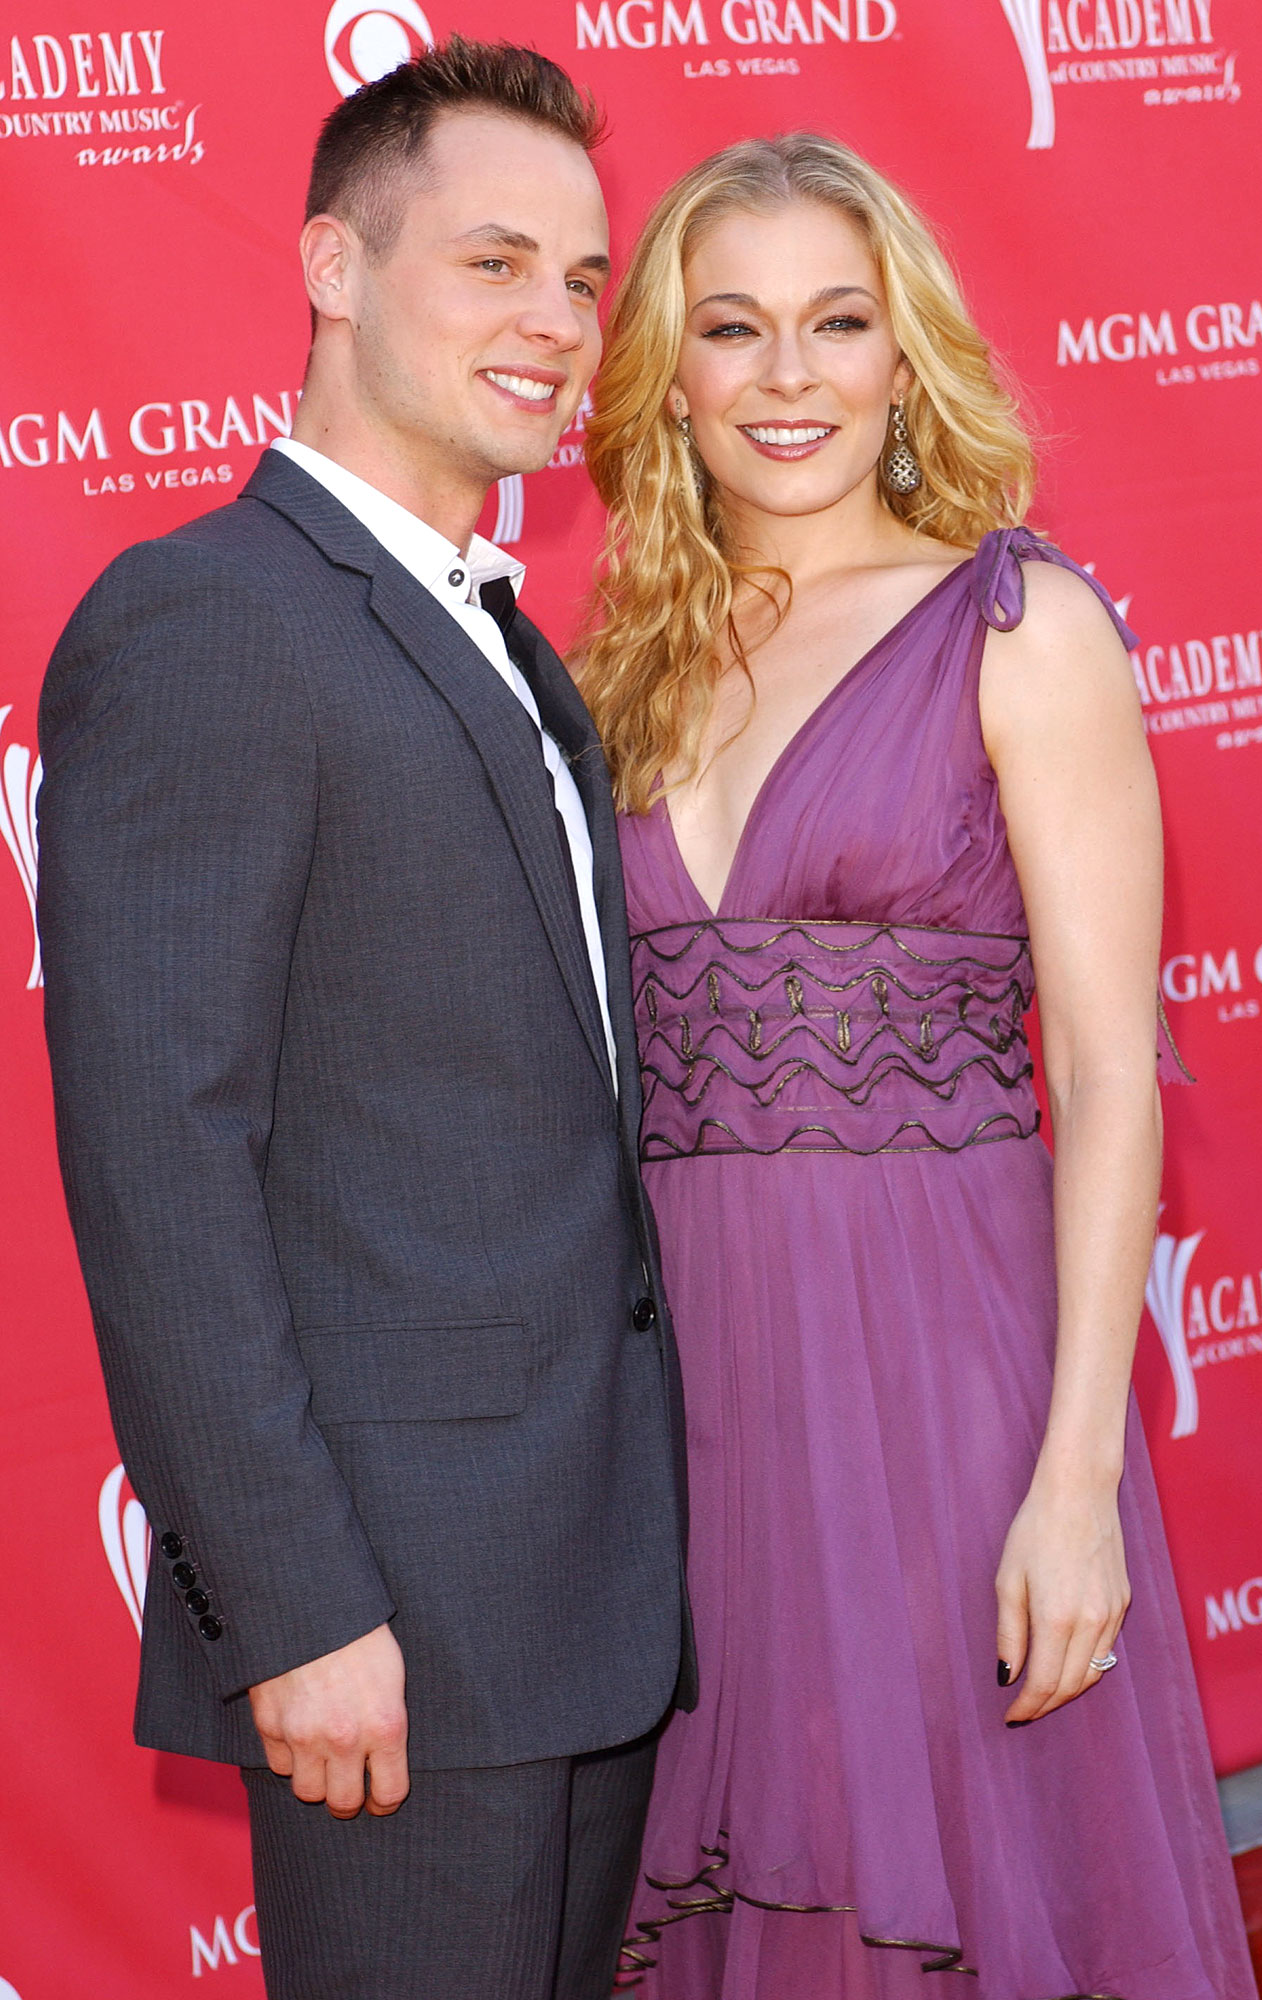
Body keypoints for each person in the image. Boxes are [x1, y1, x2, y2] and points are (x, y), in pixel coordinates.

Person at [37, 40, 692, 2000]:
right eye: (493, 264)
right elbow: (160, 1161)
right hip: (395, 1622)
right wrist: (297, 1607)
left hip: (577, 1589)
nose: (555, 324)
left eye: (580, 280)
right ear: (333, 266)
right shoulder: (210, 621)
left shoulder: (496, 635)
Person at [577, 134, 1255, 1999]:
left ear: (904, 356)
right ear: (669, 374)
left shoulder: (1018, 626)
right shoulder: (614, 673)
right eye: (733, 327)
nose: (786, 375)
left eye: (838, 322)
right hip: (689, 1402)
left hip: (946, 1379)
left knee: (959, 1874)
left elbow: (1106, 1076)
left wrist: (1075, 1481)